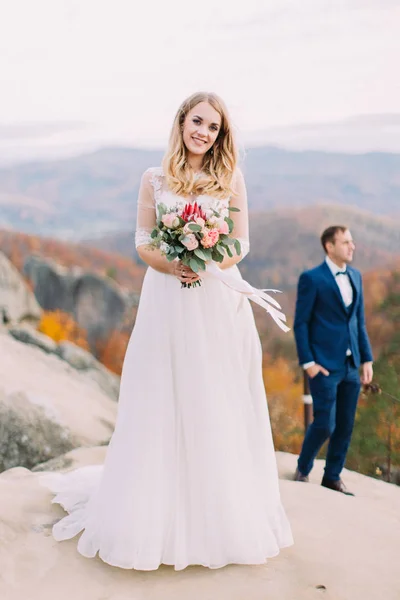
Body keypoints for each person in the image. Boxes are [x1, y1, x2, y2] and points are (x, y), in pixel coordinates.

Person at [42, 92, 293, 571]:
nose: (204, 132)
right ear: (181, 123)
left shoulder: (230, 177)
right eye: (197, 121)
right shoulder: (153, 179)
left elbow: (241, 242)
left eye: (213, 127)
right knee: (164, 393)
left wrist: (205, 260)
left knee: (216, 395)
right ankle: (157, 512)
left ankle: (218, 514)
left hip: (218, 300)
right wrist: (176, 262)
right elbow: (142, 241)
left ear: (221, 135)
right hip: (167, 299)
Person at [293, 225, 373, 495]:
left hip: (351, 364)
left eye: (352, 241)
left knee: (346, 424)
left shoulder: (356, 276)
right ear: (330, 246)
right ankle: (303, 467)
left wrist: (367, 360)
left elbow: (358, 322)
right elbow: (301, 324)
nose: (352, 247)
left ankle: (332, 476)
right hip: (323, 365)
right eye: (346, 242)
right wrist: (309, 363)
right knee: (325, 422)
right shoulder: (312, 278)